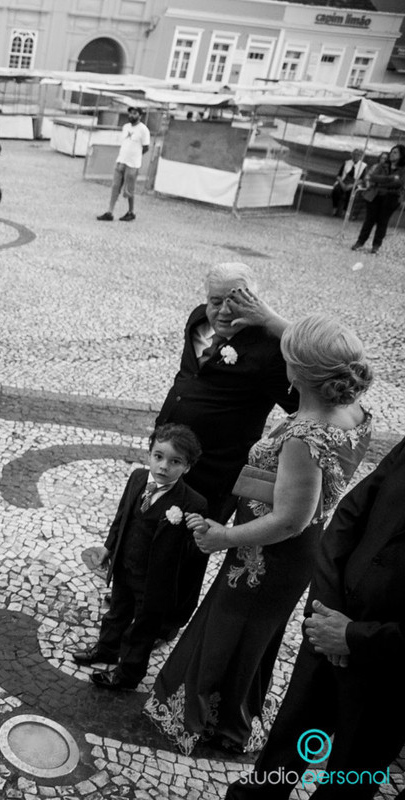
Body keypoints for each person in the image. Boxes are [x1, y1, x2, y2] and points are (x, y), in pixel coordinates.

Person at [145, 314, 373, 755]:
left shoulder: (305, 436)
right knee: (248, 628)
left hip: (270, 550)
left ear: (296, 372)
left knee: (236, 626)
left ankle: (216, 719)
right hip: (293, 546)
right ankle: (227, 708)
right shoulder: (351, 408)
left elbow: (291, 518)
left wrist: (223, 537)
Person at [224, 434, 405, 800]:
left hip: (390, 671)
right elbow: (349, 516)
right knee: (289, 743)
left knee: (350, 776)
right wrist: (326, 612)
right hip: (327, 629)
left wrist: (354, 637)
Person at [154, 263, 299, 637]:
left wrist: (273, 323)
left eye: (235, 302)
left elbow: (311, 385)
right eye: (215, 301)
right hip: (169, 458)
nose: (222, 311)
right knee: (156, 530)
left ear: (255, 303)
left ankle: (168, 622)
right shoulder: (197, 321)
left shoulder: (269, 352)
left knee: (189, 548)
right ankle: (143, 597)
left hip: (213, 472)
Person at [73, 424, 207, 691]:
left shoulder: (193, 503)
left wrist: (201, 530)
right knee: (117, 613)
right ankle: (106, 650)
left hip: (155, 580)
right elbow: (122, 517)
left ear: (188, 467)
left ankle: (128, 674)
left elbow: (190, 554)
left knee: (143, 629)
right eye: (158, 456)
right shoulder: (137, 478)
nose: (163, 466)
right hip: (125, 566)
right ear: (150, 454)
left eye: (175, 461)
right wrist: (108, 548)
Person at [97, 106, 150, 222]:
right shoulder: (125, 127)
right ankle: (110, 212)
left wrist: (136, 156)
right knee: (115, 187)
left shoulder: (143, 130)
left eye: (135, 113)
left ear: (140, 116)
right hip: (121, 160)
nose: (131, 115)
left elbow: (146, 147)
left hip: (132, 164)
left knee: (129, 190)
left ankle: (131, 212)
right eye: (130, 113)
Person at [350, 143, 404, 256]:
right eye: (391, 152)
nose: (391, 154)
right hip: (375, 195)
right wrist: (390, 179)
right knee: (369, 220)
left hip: (391, 198)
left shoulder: (402, 170)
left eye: (395, 152)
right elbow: (371, 177)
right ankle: (360, 241)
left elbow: (398, 183)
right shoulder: (382, 166)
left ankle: (376, 245)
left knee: (382, 222)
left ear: (402, 155)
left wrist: (382, 181)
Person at [331, 147, 366, 218]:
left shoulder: (363, 166)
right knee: (336, 190)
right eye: (355, 154)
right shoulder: (347, 162)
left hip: (354, 183)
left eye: (358, 155)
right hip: (343, 181)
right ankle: (335, 209)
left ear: (361, 156)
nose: (356, 156)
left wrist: (351, 185)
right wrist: (342, 184)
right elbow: (339, 175)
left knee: (351, 193)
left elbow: (362, 179)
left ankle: (345, 211)